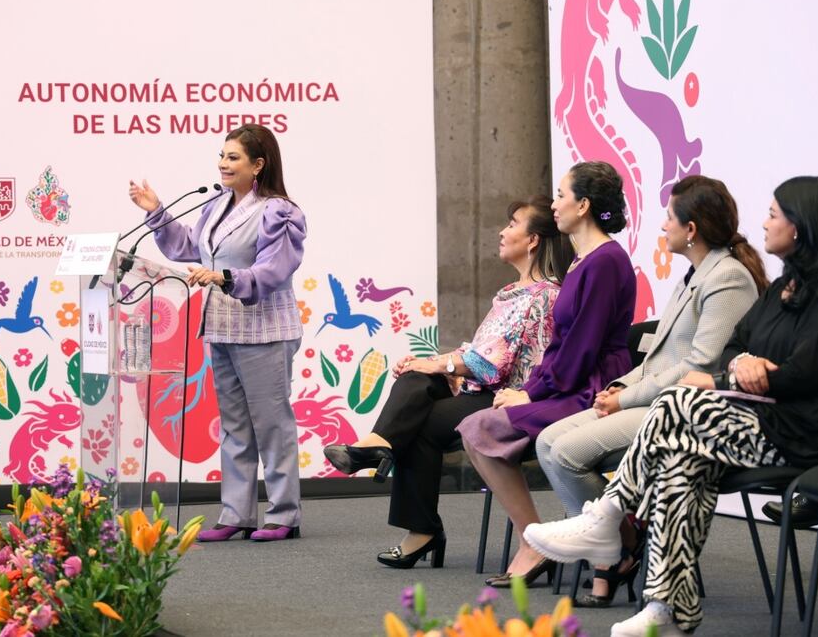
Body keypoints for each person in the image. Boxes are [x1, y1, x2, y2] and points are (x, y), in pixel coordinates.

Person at [524, 176, 818, 636]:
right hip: (771, 421)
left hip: (815, 433)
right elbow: (739, 343)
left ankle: (608, 515)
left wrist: (739, 374)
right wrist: (743, 363)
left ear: (800, 225)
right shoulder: (790, 284)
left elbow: (809, 373)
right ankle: (667, 609)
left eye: (774, 214)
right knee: (683, 464)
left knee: (681, 400)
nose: (763, 223)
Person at [535, 175, 767, 607]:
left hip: (686, 412)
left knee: (566, 453)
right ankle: (622, 541)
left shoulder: (728, 279)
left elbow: (699, 366)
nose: (662, 226)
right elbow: (661, 356)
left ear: (691, 229)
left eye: (669, 218)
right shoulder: (693, 276)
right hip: (652, 398)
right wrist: (621, 386)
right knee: (547, 441)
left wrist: (626, 397)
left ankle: (611, 552)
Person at [323, 196, 574, 569]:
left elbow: (491, 365)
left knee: (418, 420)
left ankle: (416, 521)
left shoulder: (543, 296)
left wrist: (439, 365)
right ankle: (380, 448)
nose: (502, 232)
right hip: (483, 389)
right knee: (414, 384)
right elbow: (482, 353)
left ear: (533, 240)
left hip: (513, 400)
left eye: (512, 224)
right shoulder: (512, 294)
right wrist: (434, 364)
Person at [456, 161, 636, 588]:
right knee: (477, 427)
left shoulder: (605, 262)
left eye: (560, 195)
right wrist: (531, 389)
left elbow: (582, 349)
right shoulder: (582, 261)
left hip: (590, 386)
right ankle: (539, 539)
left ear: (584, 204)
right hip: (571, 380)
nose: (554, 205)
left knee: (481, 427)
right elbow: (562, 346)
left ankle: (611, 535)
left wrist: (532, 395)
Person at [128, 124, 306, 543]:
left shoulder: (280, 211)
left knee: (272, 425)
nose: (223, 164)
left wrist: (224, 277)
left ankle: (284, 515)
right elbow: (187, 247)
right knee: (234, 426)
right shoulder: (215, 205)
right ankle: (237, 513)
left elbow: (274, 269)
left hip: (265, 330)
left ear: (258, 165)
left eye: (233, 158)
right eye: (222, 156)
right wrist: (156, 211)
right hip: (222, 328)